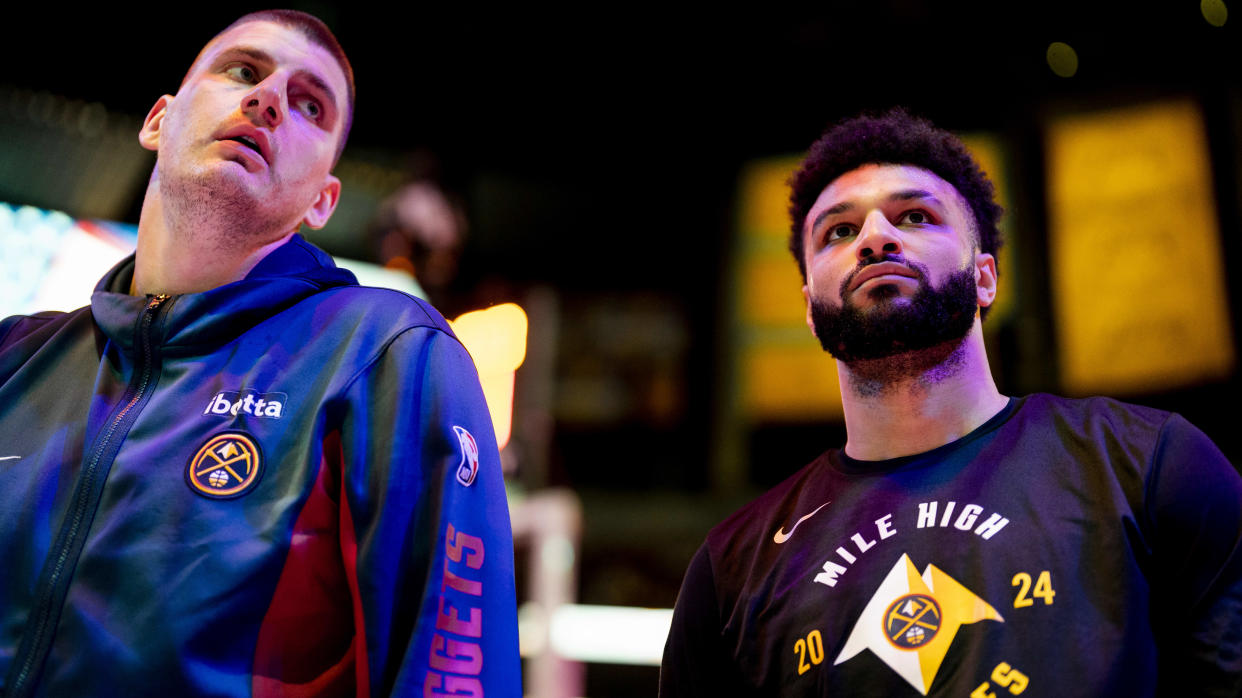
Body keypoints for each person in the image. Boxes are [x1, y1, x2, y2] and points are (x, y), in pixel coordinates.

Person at [0, 10, 520, 697]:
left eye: (310, 105)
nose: (268, 98)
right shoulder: (17, 357)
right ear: (159, 120)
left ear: (322, 201)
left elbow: (455, 673)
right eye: (242, 71)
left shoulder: (387, 351)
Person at [660, 109, 1242, 697]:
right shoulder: (730, 571)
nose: (874, 238)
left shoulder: (1149, 462)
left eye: (914, 216)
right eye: (839, 231)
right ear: (810, 310)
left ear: (985, 277)